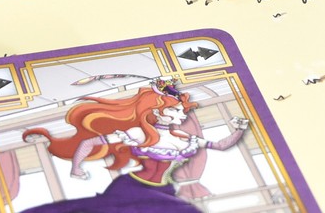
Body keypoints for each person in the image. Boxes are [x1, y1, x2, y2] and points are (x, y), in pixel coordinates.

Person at [21, 78, 249, 212]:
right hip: (131, 188)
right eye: (175, 109)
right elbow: (89, 142)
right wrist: (76, 167)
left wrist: (239, 129)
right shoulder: (139, 133)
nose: (182, 114)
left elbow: (220, 145)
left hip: (164, 190)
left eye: (182, 110)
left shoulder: (182, 137)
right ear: (156, 112)